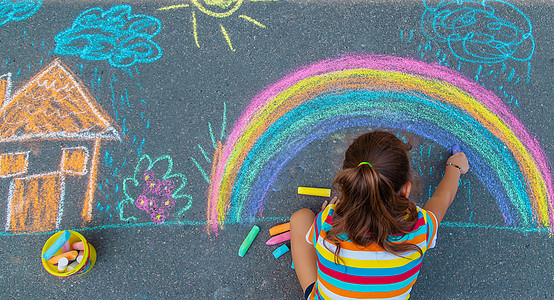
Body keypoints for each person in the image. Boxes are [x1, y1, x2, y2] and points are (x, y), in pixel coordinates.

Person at [290, 130, 469, 299]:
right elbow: (443, 197)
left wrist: (328, 213)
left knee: (301, 218)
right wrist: (455, 166)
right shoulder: (421, 227)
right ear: (406, 189)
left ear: (350, 184)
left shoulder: (326, 223)